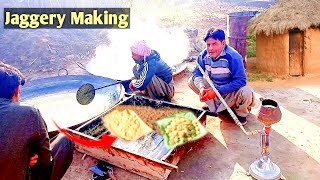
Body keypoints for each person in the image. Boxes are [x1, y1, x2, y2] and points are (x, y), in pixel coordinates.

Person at [0, 62, 74, 180]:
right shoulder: (29, 114)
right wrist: (24, 160)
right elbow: (45, 159)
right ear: (16, 91)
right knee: (65, 139)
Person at [188, 28, 255, 125]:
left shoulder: (233, 56)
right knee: (192, 81)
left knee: (246, 92)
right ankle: (214, 106)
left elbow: (241, 81)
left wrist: (217, 92)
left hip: (230, 93)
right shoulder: (203, 55)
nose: (210, 48)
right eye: (208, 44)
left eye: (214, 44)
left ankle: (240, 114)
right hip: (214, 90)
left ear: (223, 43)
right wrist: (202, 88)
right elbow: (197, 72)